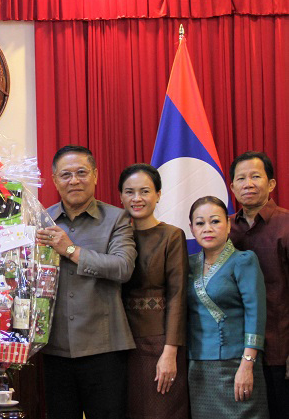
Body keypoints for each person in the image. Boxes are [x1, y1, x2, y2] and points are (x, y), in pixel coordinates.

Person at [36, 145, 137, 419]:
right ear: (55, 180)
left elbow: (123, 267)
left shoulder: (117, 218)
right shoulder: (41, 220)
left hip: (104, 347)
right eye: (66, 175)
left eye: (82, 172)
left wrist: (71, 250)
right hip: (55, 347)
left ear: (95, 175)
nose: (74, 180)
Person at [186, 196, 269, 418]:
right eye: (200, 223)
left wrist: (247, 364)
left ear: (228, 224)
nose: (207, 228)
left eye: (215, 221)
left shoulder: (243, 260)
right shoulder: (188, 263)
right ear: (192, 229)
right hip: (198, 366)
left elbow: (256, 313)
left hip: (237, 363)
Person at [118, 164, 189, 419]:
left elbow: (178, 295)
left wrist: (170, 352)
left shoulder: (171, 235)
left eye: (144, 191)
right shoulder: (115, 237)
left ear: (158, 194)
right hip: (120, 344)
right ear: (121, 197)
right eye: (129, 192)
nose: (137, 199)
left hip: (159, 342)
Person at [228, 151, 288, 419]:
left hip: (279, 350)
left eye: (255, 177)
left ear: (271, 183)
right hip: (234, 353)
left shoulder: (286, 225)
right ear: (232, 187)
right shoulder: (224, 228)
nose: (247, 184)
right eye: (241, 178)